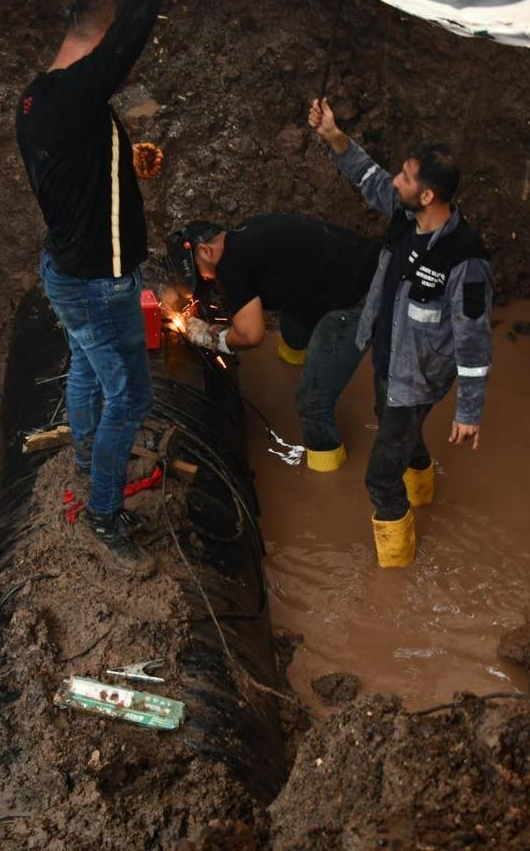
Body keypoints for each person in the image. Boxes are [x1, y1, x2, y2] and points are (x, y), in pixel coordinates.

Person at [15, 0, 189, 576]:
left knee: (88, 370)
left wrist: (123, 164)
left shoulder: (38, 98)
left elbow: (81, 161)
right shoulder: (73, 94)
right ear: (98, 37)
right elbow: (134, 37)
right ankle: (104, 513)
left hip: (70, 269)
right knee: (131, 397)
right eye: (109, 48)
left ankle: (89, 456)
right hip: (96, 283)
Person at [308, 97, 494, 568]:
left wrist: (469, 411)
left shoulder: (464, 259)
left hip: (421, 376)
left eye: (406, 177)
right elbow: (369, 177)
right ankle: (424, 488)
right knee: (391, 421)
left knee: (377, 478)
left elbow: (473, 339)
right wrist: (333, 136)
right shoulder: (405, 214)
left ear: (428, 195)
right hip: (389, 353)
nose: (396, 181)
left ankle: (396, 568)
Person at [172, 215, 380, 470]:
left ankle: (326, 467)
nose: (207, 280)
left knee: (311, 402)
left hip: (359, 298)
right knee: (292, 329)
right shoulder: (245, 236)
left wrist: (211, 335)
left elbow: (251, 334)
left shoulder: (230, 264)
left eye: (201, 273)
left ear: (205, 250)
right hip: (353, 268)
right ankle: (298, 359)